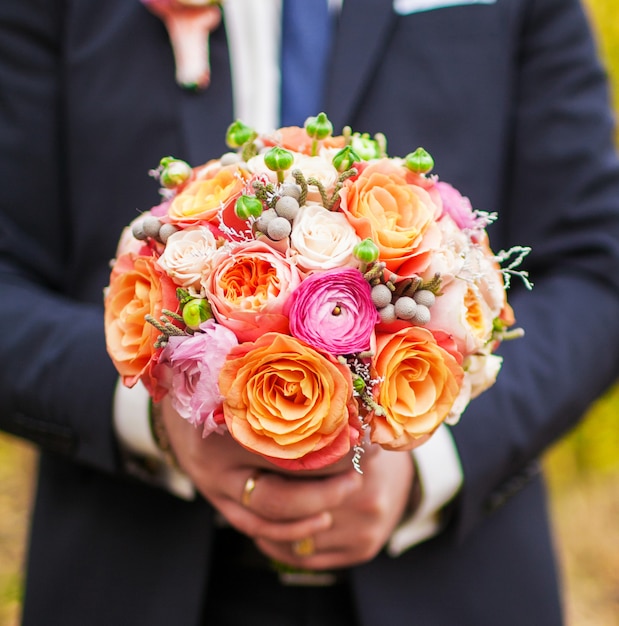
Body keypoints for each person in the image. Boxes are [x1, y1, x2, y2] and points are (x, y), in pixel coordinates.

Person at [1, 0, 619, 624]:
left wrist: (430, 461)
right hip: (128, 574)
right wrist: (161, 414)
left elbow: (598, 270)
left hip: (449, 582)